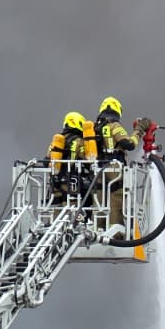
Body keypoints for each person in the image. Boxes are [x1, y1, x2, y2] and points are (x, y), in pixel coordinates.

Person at [93, 96, 136, 239]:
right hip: (114, 168)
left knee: (99, 199)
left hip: (98, 169)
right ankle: (115, 234)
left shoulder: (94, 128)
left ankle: (97, 230)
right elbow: (129, 144)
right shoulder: (114, 126)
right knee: (115, 199)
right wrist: (139, 131)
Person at [46, 111, 96, 212]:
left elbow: (47, 160)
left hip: (55, 181)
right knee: (71, 210)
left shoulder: (56, 142)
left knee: (56, 210)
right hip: (72, 181)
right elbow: (87, 161)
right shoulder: (79, 141)